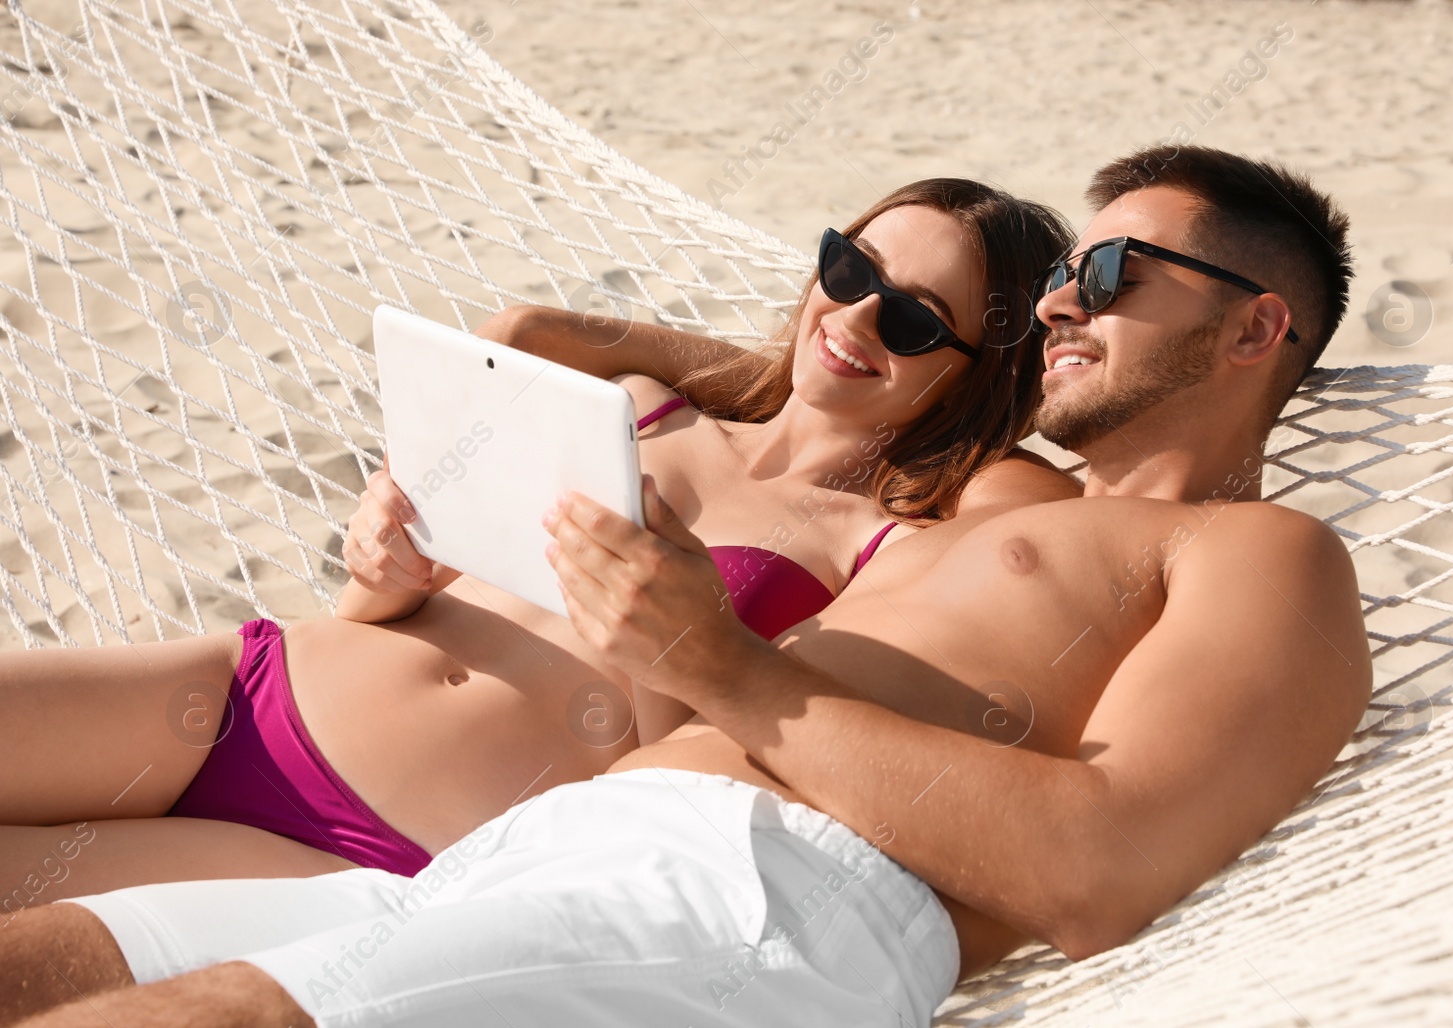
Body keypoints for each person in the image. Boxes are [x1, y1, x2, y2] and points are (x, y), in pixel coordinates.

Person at [0, 146, 1373, 1028]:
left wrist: (720, 666)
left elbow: (1097, 873)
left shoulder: (1266, 554)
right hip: (539, 854)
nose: (1067, 301)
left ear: (1258, 326)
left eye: (1116, 271)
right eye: (1067, 275)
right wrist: (790, 364)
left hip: (759, 895)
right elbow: (826, 380)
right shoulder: (980, 490)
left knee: (205, 1020)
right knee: (41, 965)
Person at [0, 179, 1078, 902]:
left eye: (910, 319)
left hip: (369, 858)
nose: (851, 318)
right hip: (247, 690)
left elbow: (1055, 523)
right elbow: (518, 336)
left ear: (978, 370)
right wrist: (383, 570)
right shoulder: (634, 401)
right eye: (848, 268)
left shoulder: (889, 549)